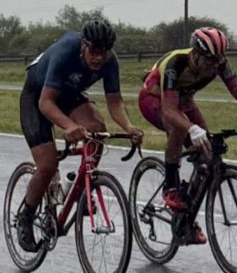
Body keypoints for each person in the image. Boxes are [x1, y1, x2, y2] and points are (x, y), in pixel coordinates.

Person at [15, 19, 144, 252]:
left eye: (103, 53)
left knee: (96, 129)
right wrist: (68, 126)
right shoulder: (66, 51)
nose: (97, 58)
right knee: (47, 165)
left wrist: (129, 127)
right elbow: (45, 103)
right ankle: (26, 215)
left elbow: (114, 102)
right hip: (37, 97)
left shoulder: (110, 61)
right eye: (93, 51)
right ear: (83, 45)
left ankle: (83, 188)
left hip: (69, 95)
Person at [137, 27, 237, 242]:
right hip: (154, 100)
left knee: (207, 150)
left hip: (184, 101)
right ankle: (170, 187)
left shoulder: (220, 64)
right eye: (209, 60)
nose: (213, 66)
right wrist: (190, 128)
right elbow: (169, 110)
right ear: (195, 54)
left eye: (218, 60)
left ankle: (186, 218)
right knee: (178, 128)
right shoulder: (176, 64)